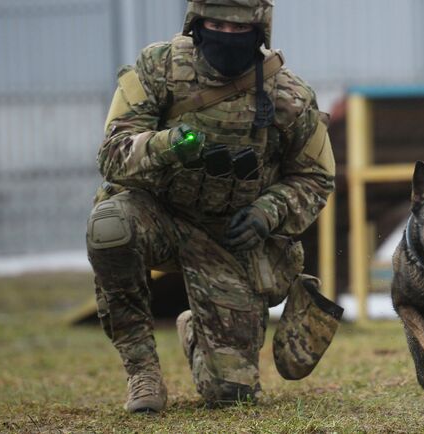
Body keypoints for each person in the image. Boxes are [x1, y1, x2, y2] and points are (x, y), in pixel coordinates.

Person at [86, 0, 339, 412]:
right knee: (110, 226)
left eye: (238, 28)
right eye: (216, 24)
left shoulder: (289, 96)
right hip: (159, 215)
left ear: (259, 33)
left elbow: (315, 177)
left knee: (231, 395)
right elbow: (112, 155)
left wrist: (266, 212)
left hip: (230, 241)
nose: (226, 35)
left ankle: (196, 331)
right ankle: (143, 372)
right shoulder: (158, 68)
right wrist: (171, 145)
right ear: (197, 25)